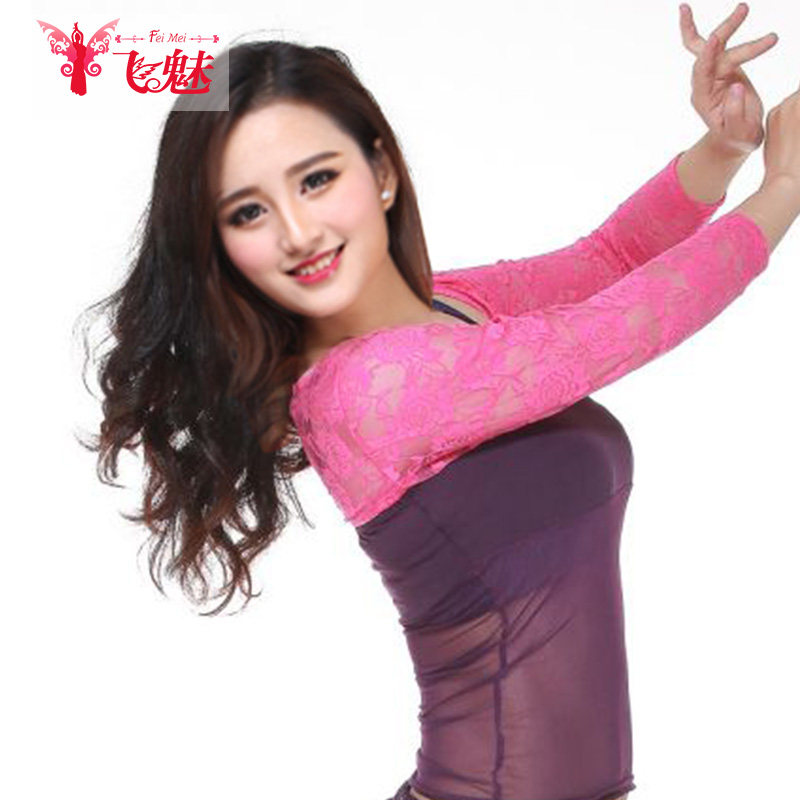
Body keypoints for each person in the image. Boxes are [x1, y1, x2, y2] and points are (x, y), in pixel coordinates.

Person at [77, 4, 800, 799]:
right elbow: (618, 327)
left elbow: (609, 259)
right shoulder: (365, 391)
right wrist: (785, 188)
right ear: (221, 245)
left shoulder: (447, 311)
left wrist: (724, 148)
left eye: (317, 180)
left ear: (381, 172)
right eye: (248, 211)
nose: (298, 232)